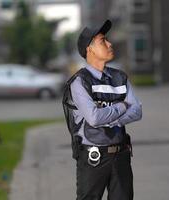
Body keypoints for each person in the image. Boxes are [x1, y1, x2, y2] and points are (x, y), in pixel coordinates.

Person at [62, 19, 142, 200]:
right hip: (93, 158)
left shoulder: (120, 77)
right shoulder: (79, 82)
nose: (109, 44)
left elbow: (137, 110)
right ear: (89, 50)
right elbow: (94, 118)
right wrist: (122, 106)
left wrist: (111, 118)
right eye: (102, 41)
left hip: (121, 155)